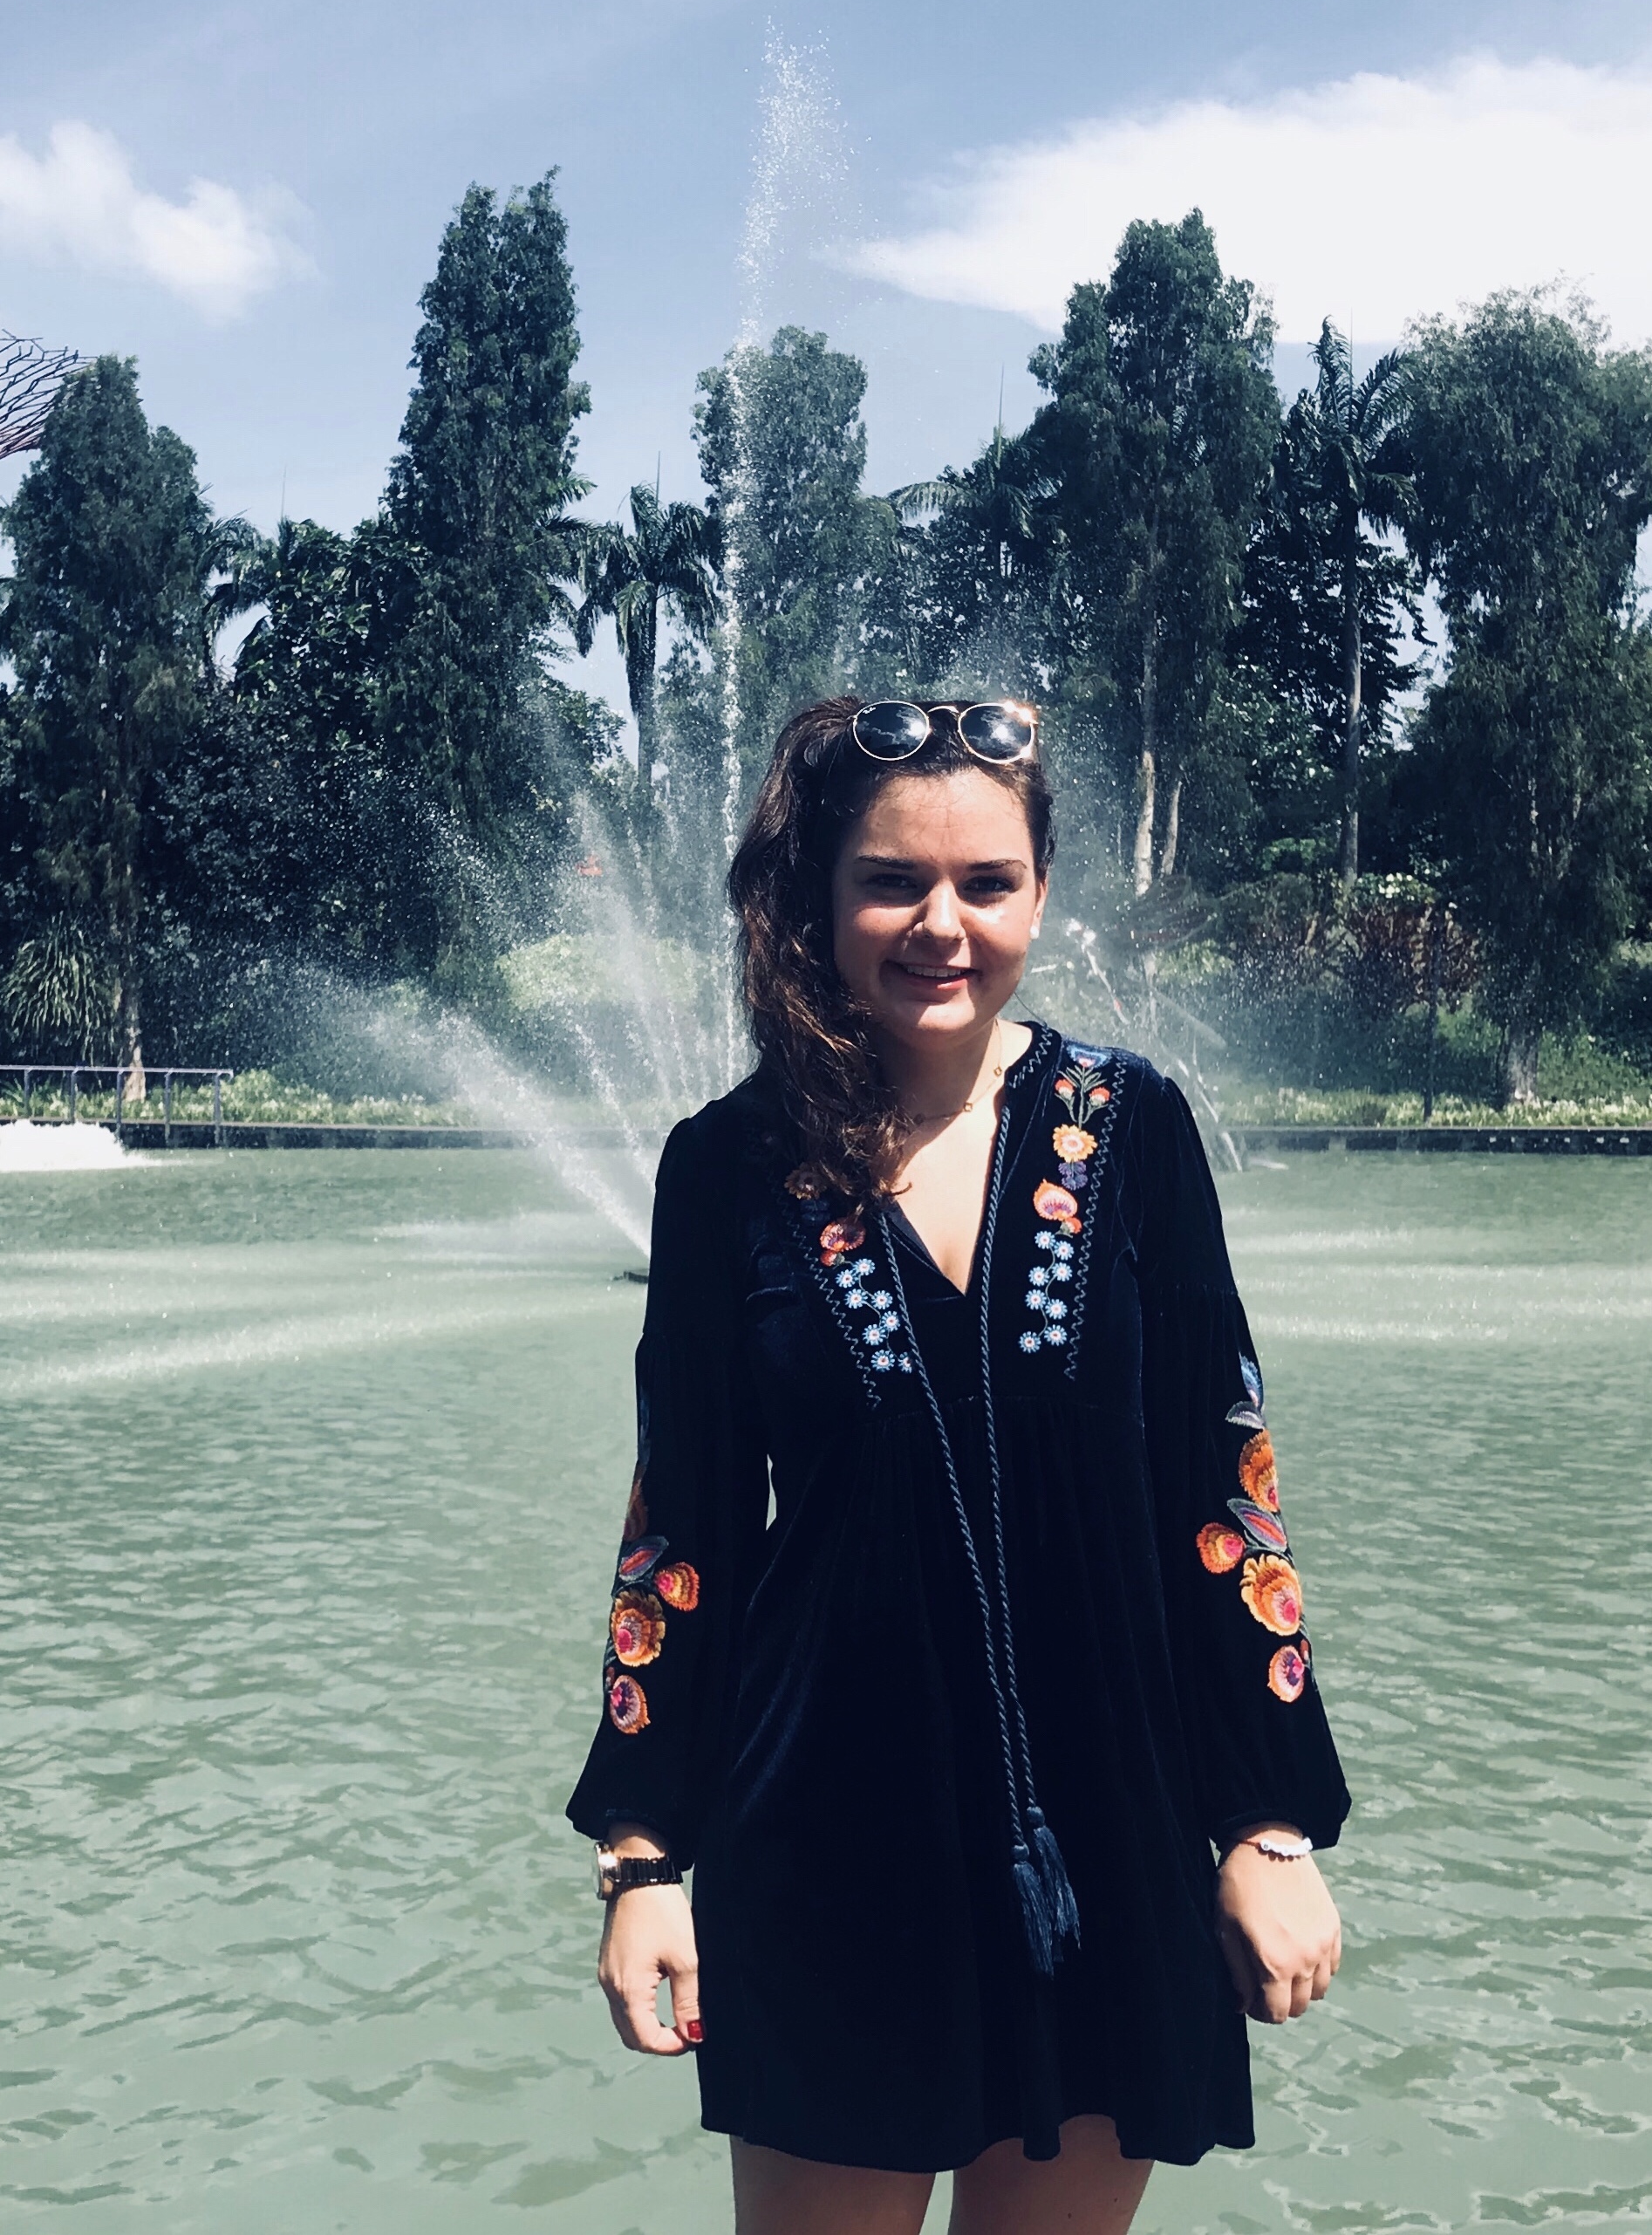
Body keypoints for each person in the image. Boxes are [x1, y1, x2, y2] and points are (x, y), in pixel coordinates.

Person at [565, 696, 1348, 2235]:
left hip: (1111, 1825)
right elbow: (683, 1527)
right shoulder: (726, 1165)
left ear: (1040, 898)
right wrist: (644, 1859)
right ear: (817, 900)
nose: (943, 925)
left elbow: (1224, 1492)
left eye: (987, 883)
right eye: (891, 883)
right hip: (832, 1842)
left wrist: (1268, 1830)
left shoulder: (1135, 1127)